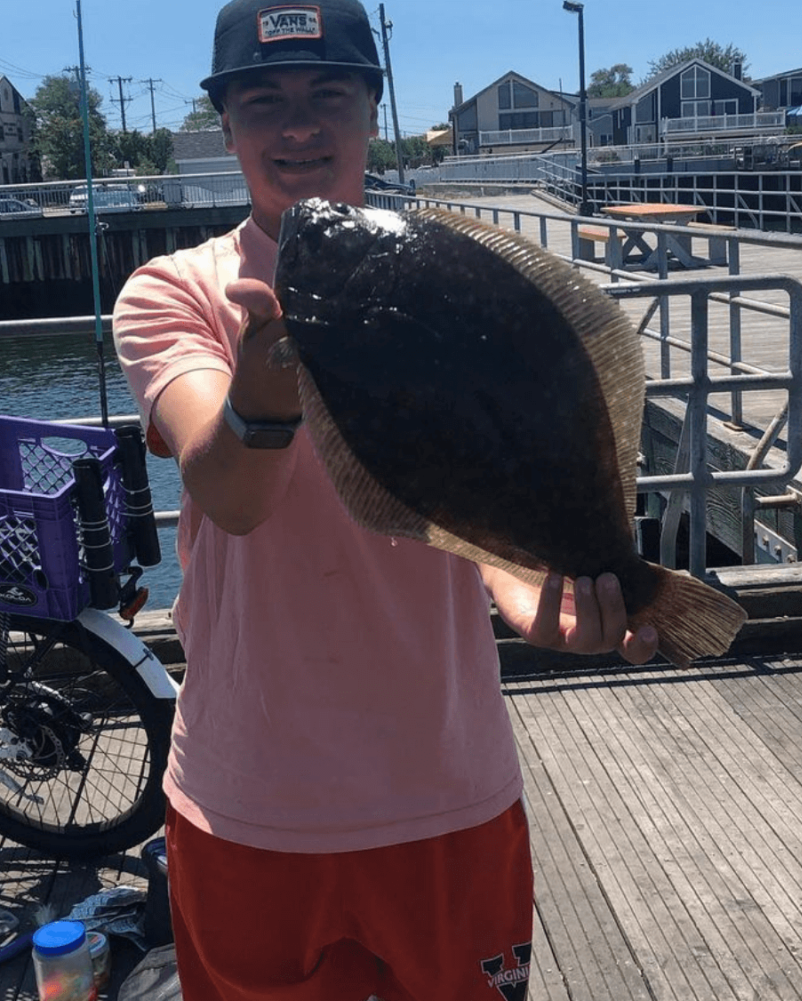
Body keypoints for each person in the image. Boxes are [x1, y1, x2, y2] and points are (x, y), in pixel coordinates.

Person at [112, 2, 659, 998]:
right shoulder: (173, 292)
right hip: (247, 795)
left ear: (372, 110)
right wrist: (266, 391)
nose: (298, 127)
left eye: (328, 95)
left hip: (447, 786)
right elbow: (227, 491)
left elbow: (459, 476)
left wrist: (526, 583)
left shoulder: (454, 275)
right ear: (227, 126)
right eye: (264, 102)